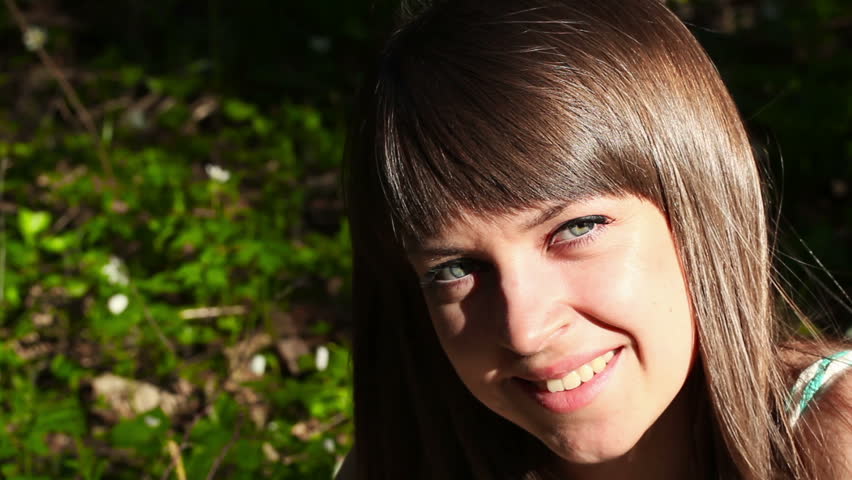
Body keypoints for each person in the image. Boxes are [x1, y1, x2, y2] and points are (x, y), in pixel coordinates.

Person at [339, 0, 852, 478]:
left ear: (697, 206)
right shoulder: (397, 460)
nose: (524, 331)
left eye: (575, 228)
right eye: (454, 268)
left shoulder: (838, 437)